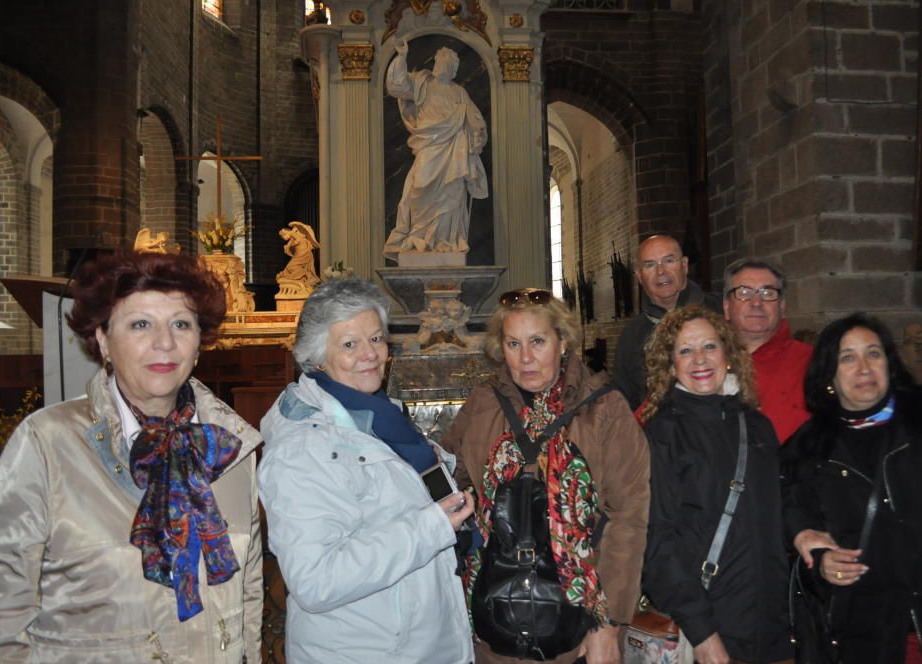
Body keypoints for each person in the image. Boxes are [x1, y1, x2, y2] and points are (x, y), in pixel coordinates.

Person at [0, 251, 263, 663]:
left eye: (181, 324)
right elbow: (2, 610)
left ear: (198, 344)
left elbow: (248, 596)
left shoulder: (229, 447)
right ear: (102, 339)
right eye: (141, 324)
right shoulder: (49, 443)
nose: (165, 342)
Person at [257, 276, 474, 664]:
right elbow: (315, 581)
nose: (370, 354)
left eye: (376, 339)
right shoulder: (301, 448)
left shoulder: (381, 416)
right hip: (366, 650)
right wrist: (431, 528)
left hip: (419, 640)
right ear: (317, 356)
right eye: (350, 344)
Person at [441, 288, 650, 663]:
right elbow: (448, 477)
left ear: (563, 341)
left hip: (578, 625)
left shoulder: (603, 409)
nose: (525, 358)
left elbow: (628, 518)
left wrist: (609, 623)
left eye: (538, 341)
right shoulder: (483, 403)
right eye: (513, 343)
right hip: (492, 615)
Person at [781, 313, 922, 663]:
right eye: (847, 358)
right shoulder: (806, 453)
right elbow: (797, 538)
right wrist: (821, 564)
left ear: (889, 363)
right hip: (874, 637)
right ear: (829, 376)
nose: (863, 367)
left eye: (874, 353)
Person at [640, 305, 793, 664]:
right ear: (671, 364)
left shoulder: (757, 428)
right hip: (710, 626)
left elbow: (777, 520)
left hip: (774, 627)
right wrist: (703, 634)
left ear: (728, 353)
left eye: (709, 346)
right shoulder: (663, 434)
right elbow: (658, 543)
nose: (699, 360)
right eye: (685, 350)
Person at [383, 38, 489, 260]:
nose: (444, 66)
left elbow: (475, 119)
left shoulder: (459, 93)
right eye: (441, 61)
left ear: (454, 69)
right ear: (435, 63)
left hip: (453, 152)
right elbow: (397, 86)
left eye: (449, 63)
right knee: (418, 188)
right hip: (428, 147)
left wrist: (477, 137)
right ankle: (419, 238)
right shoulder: (422, 82)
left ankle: (445, 242)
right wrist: (401, 57)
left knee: (452, 194)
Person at [613, 234, 721, 410]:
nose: (661, 272)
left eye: (669, 261)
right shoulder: (631, 335)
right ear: (639, 275)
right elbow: (625, 402)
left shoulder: (721, 312)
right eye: (649, 265)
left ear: (684, 265)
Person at [723, 258, 812, 443]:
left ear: (782, 306)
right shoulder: (702, 362)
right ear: (726, 307)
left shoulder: (811, 362)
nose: (756, 302)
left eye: (767, 292)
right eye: (744, 292)